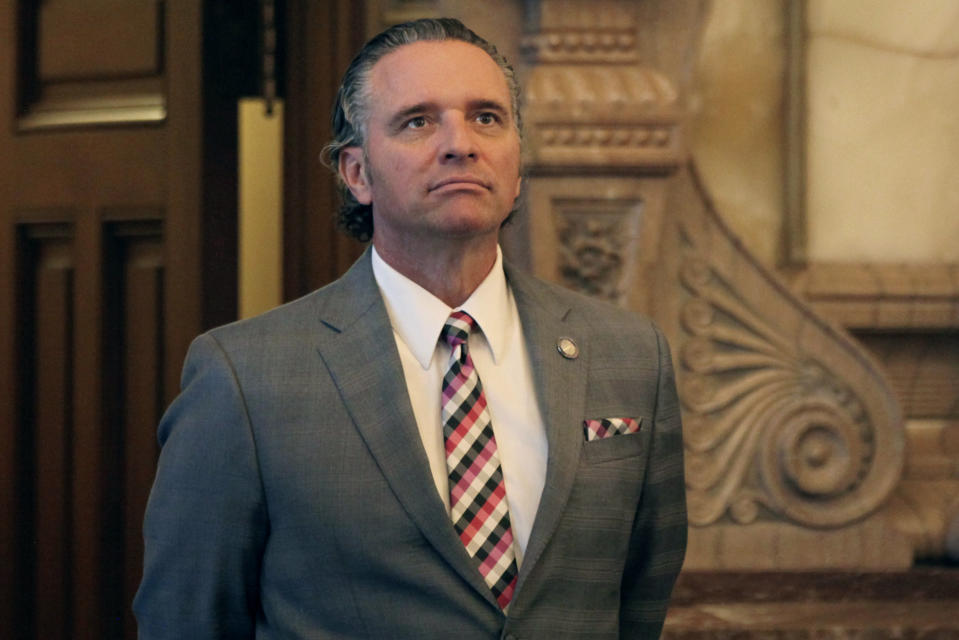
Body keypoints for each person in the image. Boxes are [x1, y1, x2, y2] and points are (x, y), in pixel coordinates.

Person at [134, 17, 686, 640]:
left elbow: (640, 599)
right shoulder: (245, 380)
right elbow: (188, 621)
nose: (461, 144)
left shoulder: (631, 356)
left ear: (519, 165)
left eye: (486, 118)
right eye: (418, 121)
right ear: (357, 173)